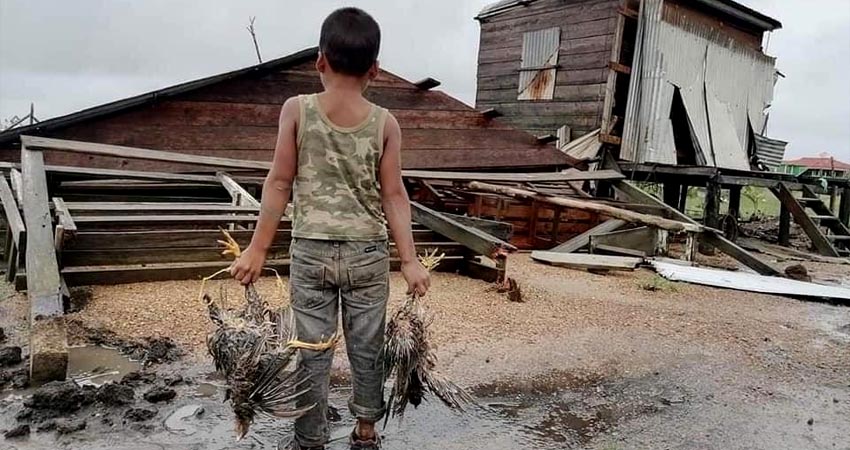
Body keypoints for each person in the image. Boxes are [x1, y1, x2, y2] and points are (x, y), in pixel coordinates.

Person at [230, 7, 430, 450]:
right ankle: (365, 430)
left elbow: (279, 182)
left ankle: (310, 440)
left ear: (320, 60)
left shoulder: (297, 110)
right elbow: (395, 196)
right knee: (367, 348)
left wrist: (257, 250)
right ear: (375, 70)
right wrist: (411, 262)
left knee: (312, 350)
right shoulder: (386, 123)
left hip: (312, 252)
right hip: (368, 255)